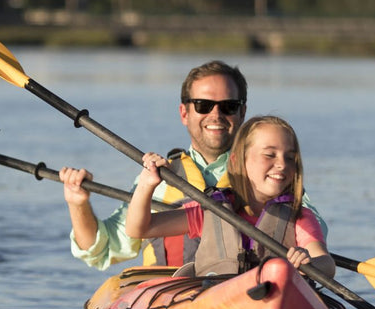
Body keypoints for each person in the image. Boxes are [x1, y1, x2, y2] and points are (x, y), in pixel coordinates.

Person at [60, 60, 251, 269]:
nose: (216, 115)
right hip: (171, 295)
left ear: (242, 112)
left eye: (229, 106)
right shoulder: (156, 180)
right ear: (184, 113)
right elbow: (102, 250)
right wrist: (78, 204)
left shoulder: (265, 176)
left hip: (241, 293)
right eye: (202, 105)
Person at [125, 115, 334, 278]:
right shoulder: (212, 210)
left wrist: (309, 263)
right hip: (215, 305)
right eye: (270, 155)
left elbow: (326, 263)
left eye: (290, 158)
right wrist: (146, 185)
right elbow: (139, 229)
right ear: (238, 161)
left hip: (273, 300)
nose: (282, 164)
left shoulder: (299, 216)